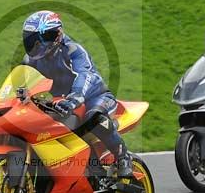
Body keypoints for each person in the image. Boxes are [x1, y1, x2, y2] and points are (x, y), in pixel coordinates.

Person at [21, 10, 133, 181]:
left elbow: (85, 75)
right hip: (61, 103)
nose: (35, 45)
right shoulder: (30, 60)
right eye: (31, 40)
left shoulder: (74, 51)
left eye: (38, 39)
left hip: (94, 98)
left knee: (93, 118)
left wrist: (75, 98)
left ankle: (123, 157)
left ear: (55, 35)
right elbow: (21, 82)